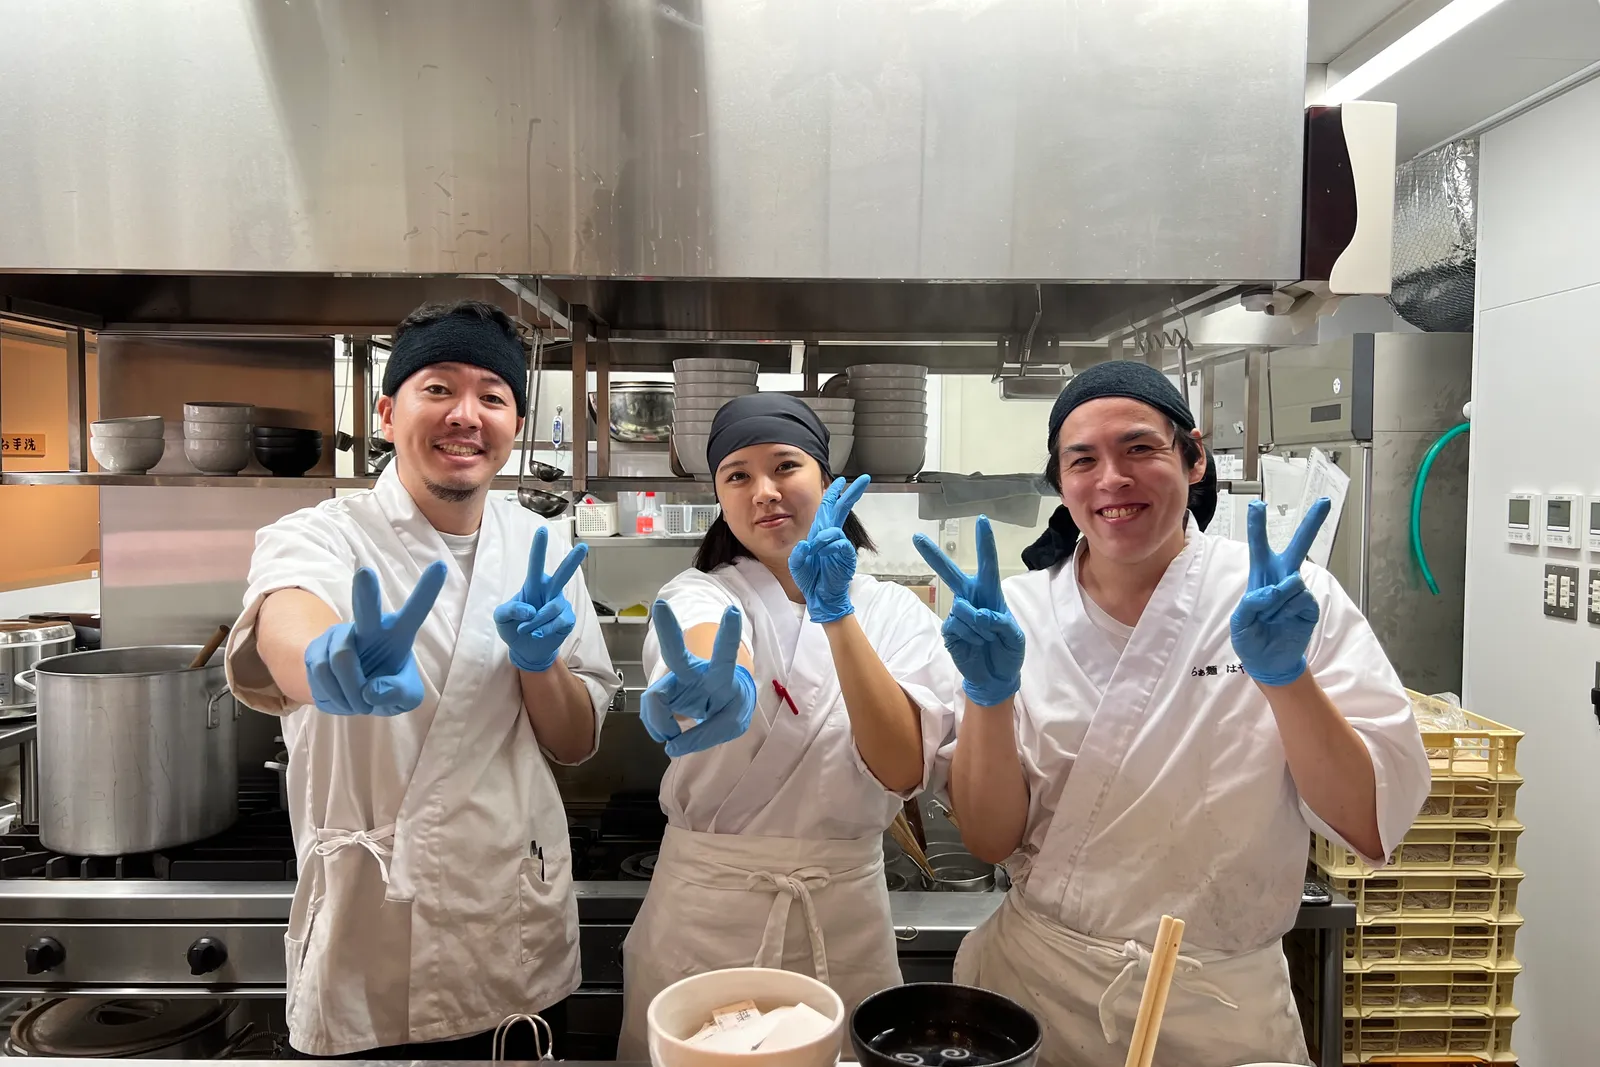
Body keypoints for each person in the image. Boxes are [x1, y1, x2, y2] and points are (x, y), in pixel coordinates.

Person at [913, 360, 1430, 1067]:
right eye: (1082, 460)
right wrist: (988, 696)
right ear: (1061, 484)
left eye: (1139, 449)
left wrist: (1286, 677)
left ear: (1192, 458)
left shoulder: (1286, 598)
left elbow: (1368, 819)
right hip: (1043, 998)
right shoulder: (1018, 614)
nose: (1111, 479)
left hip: (1219, 1014)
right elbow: (990, 839)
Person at [223, 300, 619, 1058]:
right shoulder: (323, 532)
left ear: (513, 424)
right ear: (385, 411)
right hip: (366, 948)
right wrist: (322, 659)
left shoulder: (542, 550)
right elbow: (285, 614)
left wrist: (540, 667)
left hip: (509, 938)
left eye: (492, 396)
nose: (466, 414)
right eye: (438, 388)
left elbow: (572, 743)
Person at [617, 393, 960, 1057]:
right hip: (705, 918)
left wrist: (835, 613)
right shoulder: (700, 592)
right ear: (719, 494)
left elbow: (901, 768)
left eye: (785, 466)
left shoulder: (895, 613)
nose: (764, 491)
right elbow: (703, 635)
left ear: (828, 482)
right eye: (737, 475)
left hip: (842, 918)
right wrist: (716, 683)